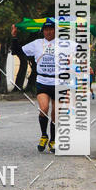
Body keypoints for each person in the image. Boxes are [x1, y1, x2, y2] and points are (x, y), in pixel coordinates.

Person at [10, 18, 66, 153]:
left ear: (55, 31)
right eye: (46, 30)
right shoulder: (37, 43)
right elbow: (17, 51)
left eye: (51, 29)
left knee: (56, 113)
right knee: (44, 109)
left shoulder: (63, 44)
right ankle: (44, 135)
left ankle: (53, 140)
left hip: (58, 82)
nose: (49, 32)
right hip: (43, 81)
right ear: (43, 31)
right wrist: (14, 36)